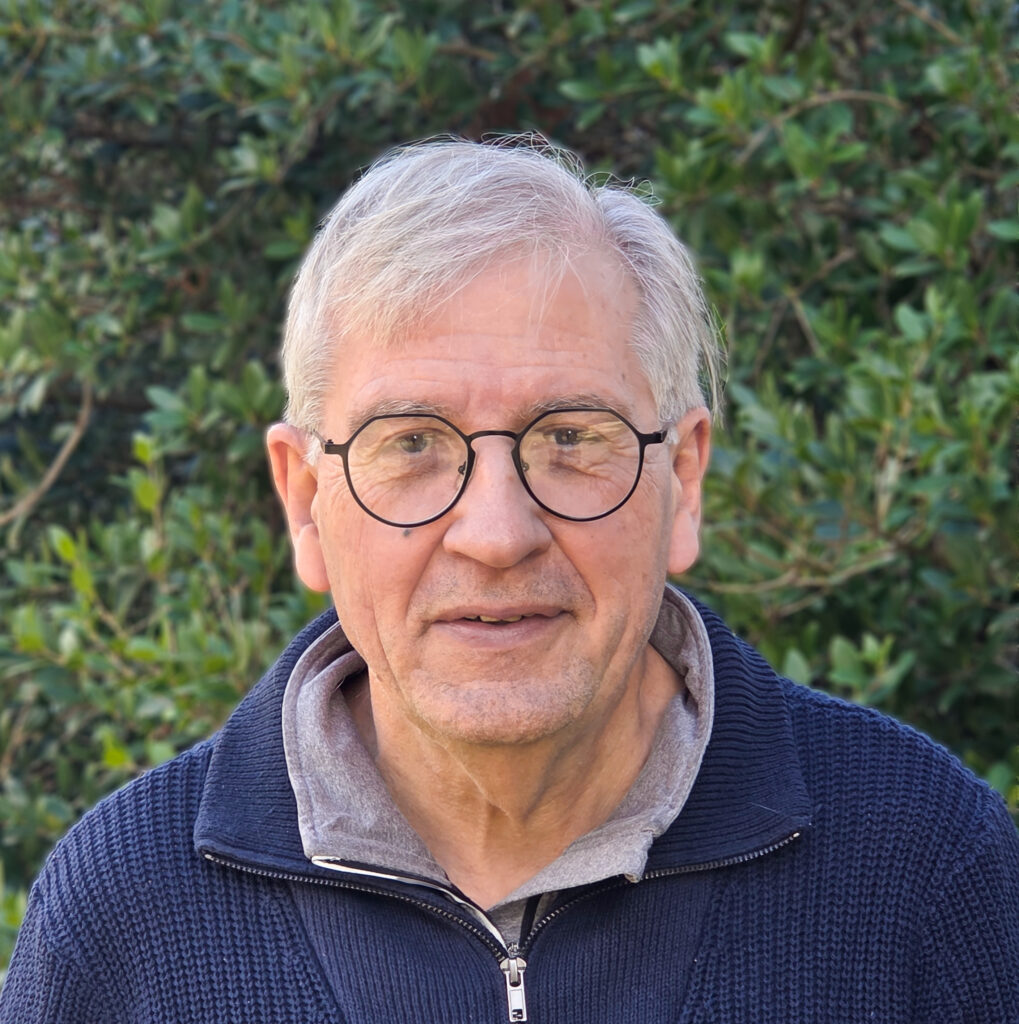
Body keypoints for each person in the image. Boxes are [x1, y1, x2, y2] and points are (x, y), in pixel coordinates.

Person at [2, 137, 1017, 1024]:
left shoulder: (927, 865)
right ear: (305, 500)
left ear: (683, 479)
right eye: (411, 443)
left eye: (571, 438)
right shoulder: (123, 913)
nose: (495, 534)